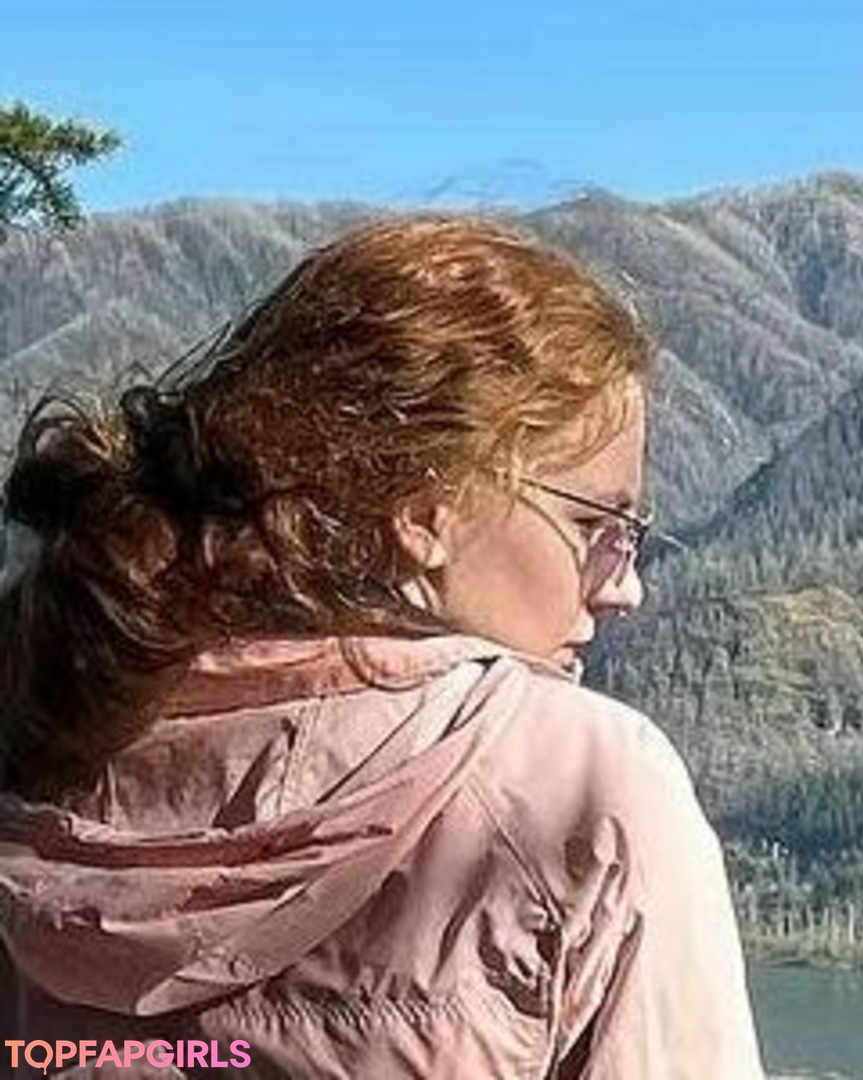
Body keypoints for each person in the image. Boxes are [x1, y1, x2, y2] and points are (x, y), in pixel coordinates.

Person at [0, 218, 763, 1078]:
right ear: (425, 516)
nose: (624, 585)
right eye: (599, 526)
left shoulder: (58, 716)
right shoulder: (586, 784)